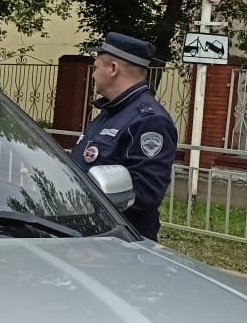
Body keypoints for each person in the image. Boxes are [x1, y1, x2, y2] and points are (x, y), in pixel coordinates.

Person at [71, 33, 177, 240]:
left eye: (95, 68)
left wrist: (86, 194)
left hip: (118, 243)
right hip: (92, 235)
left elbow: (145, 194)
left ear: (112, 69)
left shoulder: (149, 121)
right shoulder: (110, 113)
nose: (92, 75)